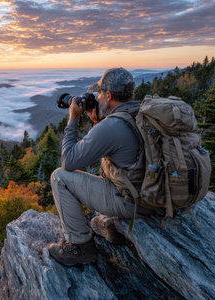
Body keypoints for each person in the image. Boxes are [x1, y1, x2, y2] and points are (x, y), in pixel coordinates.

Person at [47, 67, 153, 266]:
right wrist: (98, 121)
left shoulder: (112, 126)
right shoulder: (142, 112)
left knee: (59, 177)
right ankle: (112, 226)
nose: (98, 97)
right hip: (156, 193)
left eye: (100, 93)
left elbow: (68, 161)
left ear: (109, 95)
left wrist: (73, 119)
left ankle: (80, 247)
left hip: (136, 202)